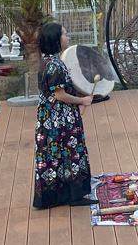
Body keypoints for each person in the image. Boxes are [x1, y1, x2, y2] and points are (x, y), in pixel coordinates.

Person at [33, 22, 93, 209]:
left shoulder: (49, 62)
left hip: (52, 119)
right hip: (59, 120)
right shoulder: (54, 66)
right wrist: (82, 101)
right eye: (64, 34)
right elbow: (59, 95)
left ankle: (59, 196)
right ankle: (74, 196)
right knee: (71, 154)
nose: (67, 37)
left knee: (56, 156)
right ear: (55, 40)